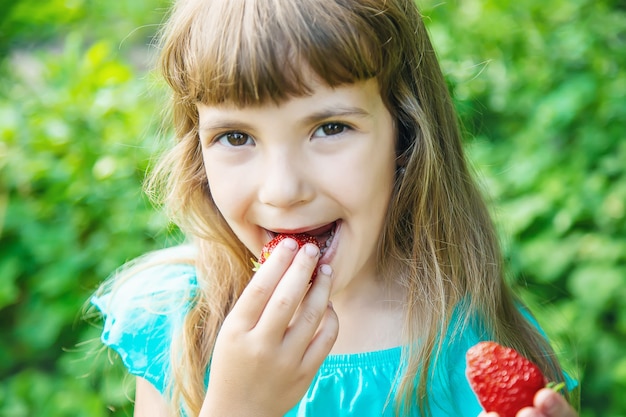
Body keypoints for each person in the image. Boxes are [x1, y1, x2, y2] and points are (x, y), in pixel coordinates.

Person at [90, 0, 580, 416]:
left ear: (405, 137)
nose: (282, 190)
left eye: (329, 128)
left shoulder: (473, 353)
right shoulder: (179, 321)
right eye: (235, 136)